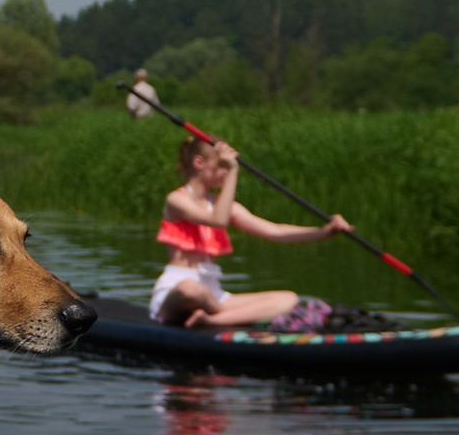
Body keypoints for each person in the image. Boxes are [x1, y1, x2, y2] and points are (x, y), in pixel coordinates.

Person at [149, 132, 348, 326]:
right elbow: (218, 220)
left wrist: (324, 232)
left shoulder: (222, 206)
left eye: (228, 168)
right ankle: (212, 313)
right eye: (222, 166)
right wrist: (233, 171)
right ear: (199, 163)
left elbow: (275, 232)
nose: (225, 173)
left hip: (215, 295)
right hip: (178, 290)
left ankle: (212, 319)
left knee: (287, 299)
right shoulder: (176, 200)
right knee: (191, 290)